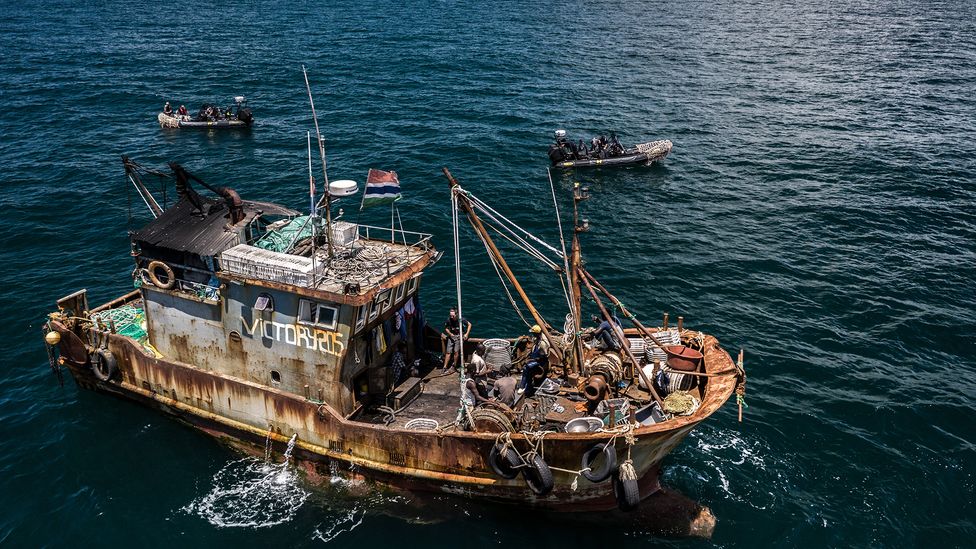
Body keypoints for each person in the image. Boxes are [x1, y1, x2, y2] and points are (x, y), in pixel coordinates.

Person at [517, 324, 549, 396]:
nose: (532, 334)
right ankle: (527, 386)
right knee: (528, 368)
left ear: (537, 333)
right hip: (535, 358)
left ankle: (524, 388)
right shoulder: (537, 338)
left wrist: (531, 360)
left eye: (533, 333)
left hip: (540, 362)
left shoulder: (543, 344)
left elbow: (544, 356)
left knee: (526, 368)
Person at [461, 344, 493, 411]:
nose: (484, 352)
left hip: (466, 402)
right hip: (470, 404)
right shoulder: (476, 361)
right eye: (483, 351)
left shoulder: (475, 353)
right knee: (482, 396)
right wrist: (488, 401)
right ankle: (484, 408)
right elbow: (476, 374)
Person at [441, 307, 471, 372]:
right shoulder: (448, 320)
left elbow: (469, 324)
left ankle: (454, 365)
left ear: (456, 314)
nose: (451, 317)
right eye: (450, 315)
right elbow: (446, 328)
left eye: (453, 316)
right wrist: (450, 333)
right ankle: (445, 366)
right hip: (451, 336)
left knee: (456, 352)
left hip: (459, 336)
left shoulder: (461, 319)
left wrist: (466, 334)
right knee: (448, 352)